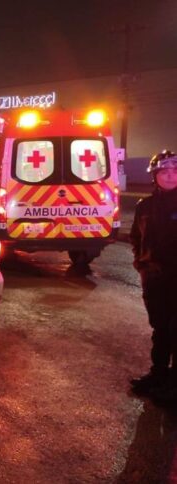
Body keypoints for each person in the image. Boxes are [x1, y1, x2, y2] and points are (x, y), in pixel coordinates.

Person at [129, 150, 177, 401]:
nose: (170, 176)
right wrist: (141, 263)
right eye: (164, 172)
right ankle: (158, 374)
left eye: (175, 172)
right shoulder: (144, 207)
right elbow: (136, 237)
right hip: (154, 279)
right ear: (155, 176)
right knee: (159, 328)